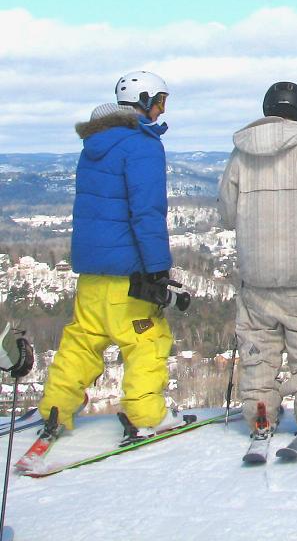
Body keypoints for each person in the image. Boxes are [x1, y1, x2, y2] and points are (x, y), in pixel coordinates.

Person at [38, 72, 179, 441]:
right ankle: (147, 414)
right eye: (159, 101)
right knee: (146, 340)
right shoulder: (142, 145)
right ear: (143, 100)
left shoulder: (95, 145)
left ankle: (56, 407)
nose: (161, 110)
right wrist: (157, 268)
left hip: (92, 269)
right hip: (128, 273)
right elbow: (146, 212)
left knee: (83, 338)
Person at [218, 81, 297, 438]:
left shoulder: (241, 156)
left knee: (258, 350)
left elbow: (227, 214)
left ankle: (260, 410)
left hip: (255, 273)